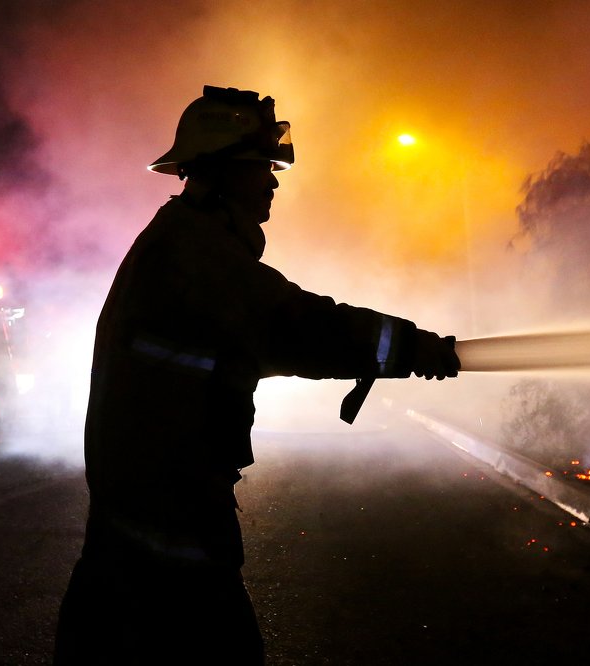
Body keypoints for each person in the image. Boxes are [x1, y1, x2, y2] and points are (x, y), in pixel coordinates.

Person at [53, 85, 460, 664]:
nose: (273, 182)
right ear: (219, 173)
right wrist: (413, 349)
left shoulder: (183, 241)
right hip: (168, 524)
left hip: (150, 511)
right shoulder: (196, 256)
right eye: (259, 167)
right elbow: (297, 326)